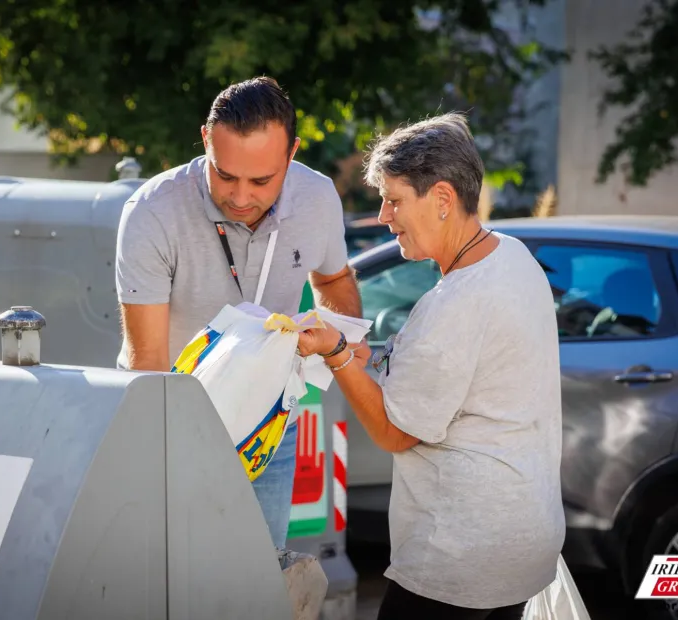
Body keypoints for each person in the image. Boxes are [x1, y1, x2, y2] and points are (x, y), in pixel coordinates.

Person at [297, 112, 566, 619]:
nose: (383, 215)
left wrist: (337, 355)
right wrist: (369, 361)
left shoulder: (456, 302)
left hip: (461, 551)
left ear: (442, 198)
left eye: (394, 200)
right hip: (522, 538)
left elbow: (396, 432)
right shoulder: (512, 255)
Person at [114, 76, 367, 555]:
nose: (241, 197)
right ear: (206, 139)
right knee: (176, 574)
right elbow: (148, 362)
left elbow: (333, 278)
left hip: (272, 427)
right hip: (173, 425)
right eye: (225, 175)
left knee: (260, 575)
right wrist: (170, 458)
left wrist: (344, 337)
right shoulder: (152, 210)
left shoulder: (317, 197)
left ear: (292, 153)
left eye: (262, 181)